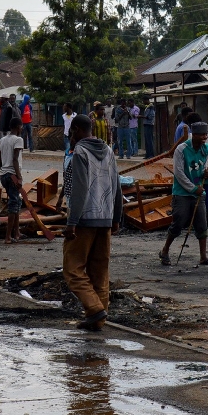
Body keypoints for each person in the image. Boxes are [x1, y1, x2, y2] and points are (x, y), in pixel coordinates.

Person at [63, 114, 123, 331]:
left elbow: (80, 189)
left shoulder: (80, 152)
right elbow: (117, 185)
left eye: (71, 132)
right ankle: (97, 319)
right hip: (105, 218)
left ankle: (94, 307)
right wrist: (116, 218)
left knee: (73, 269)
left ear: (78, 130)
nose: (69, 137)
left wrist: (72, 222)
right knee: (100, 271)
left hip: (84, 219)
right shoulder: (108, 150)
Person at [159, 122, 208, 266]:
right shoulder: (182, 149)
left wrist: (205, 174)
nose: (204, 137)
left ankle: (203, 256)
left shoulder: (206, 149)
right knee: (178, 222)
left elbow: (202, 167)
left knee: (202, 224)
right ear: (194, 135)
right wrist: (192, 188)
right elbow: (179, 173)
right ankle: (165, 250)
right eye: (201, 134)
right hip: (182, 192)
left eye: (206, 134)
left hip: (198, 190)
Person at [0, 117, 25, 244]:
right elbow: (15, 159)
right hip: (13, 175)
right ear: (18, 127)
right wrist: (19, 177)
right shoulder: (18, 139)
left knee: (16, 203)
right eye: (21, 126)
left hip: (3, 175)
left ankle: (17, 232)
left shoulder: (2, 140)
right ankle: (8, 237)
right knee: (13, 205)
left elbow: (0, 161)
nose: (22, 129)